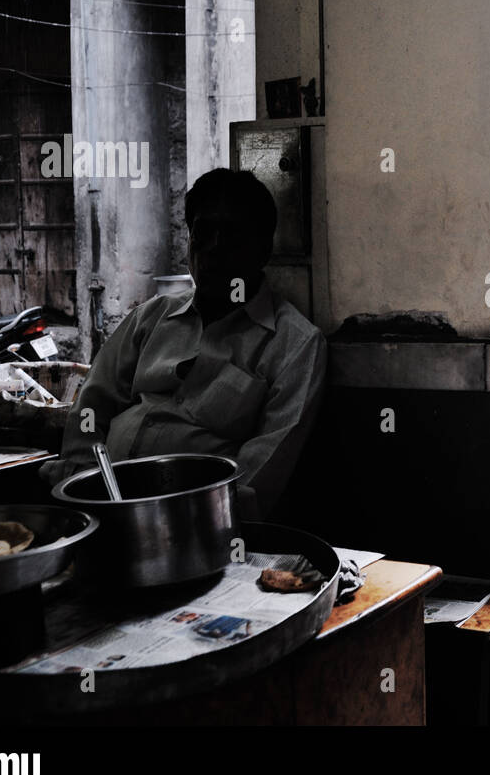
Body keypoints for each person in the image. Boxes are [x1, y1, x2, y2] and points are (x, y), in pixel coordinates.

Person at [39, 168, 327, 520]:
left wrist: (168, 525)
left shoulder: (293, 344)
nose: (214, 250)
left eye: (232, 236)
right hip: (101, 507)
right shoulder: (151, 317)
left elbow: (258, 475)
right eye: (202, 233)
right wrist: (84, 486)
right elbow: (93, 404)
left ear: (263, 249)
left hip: (196, 524)